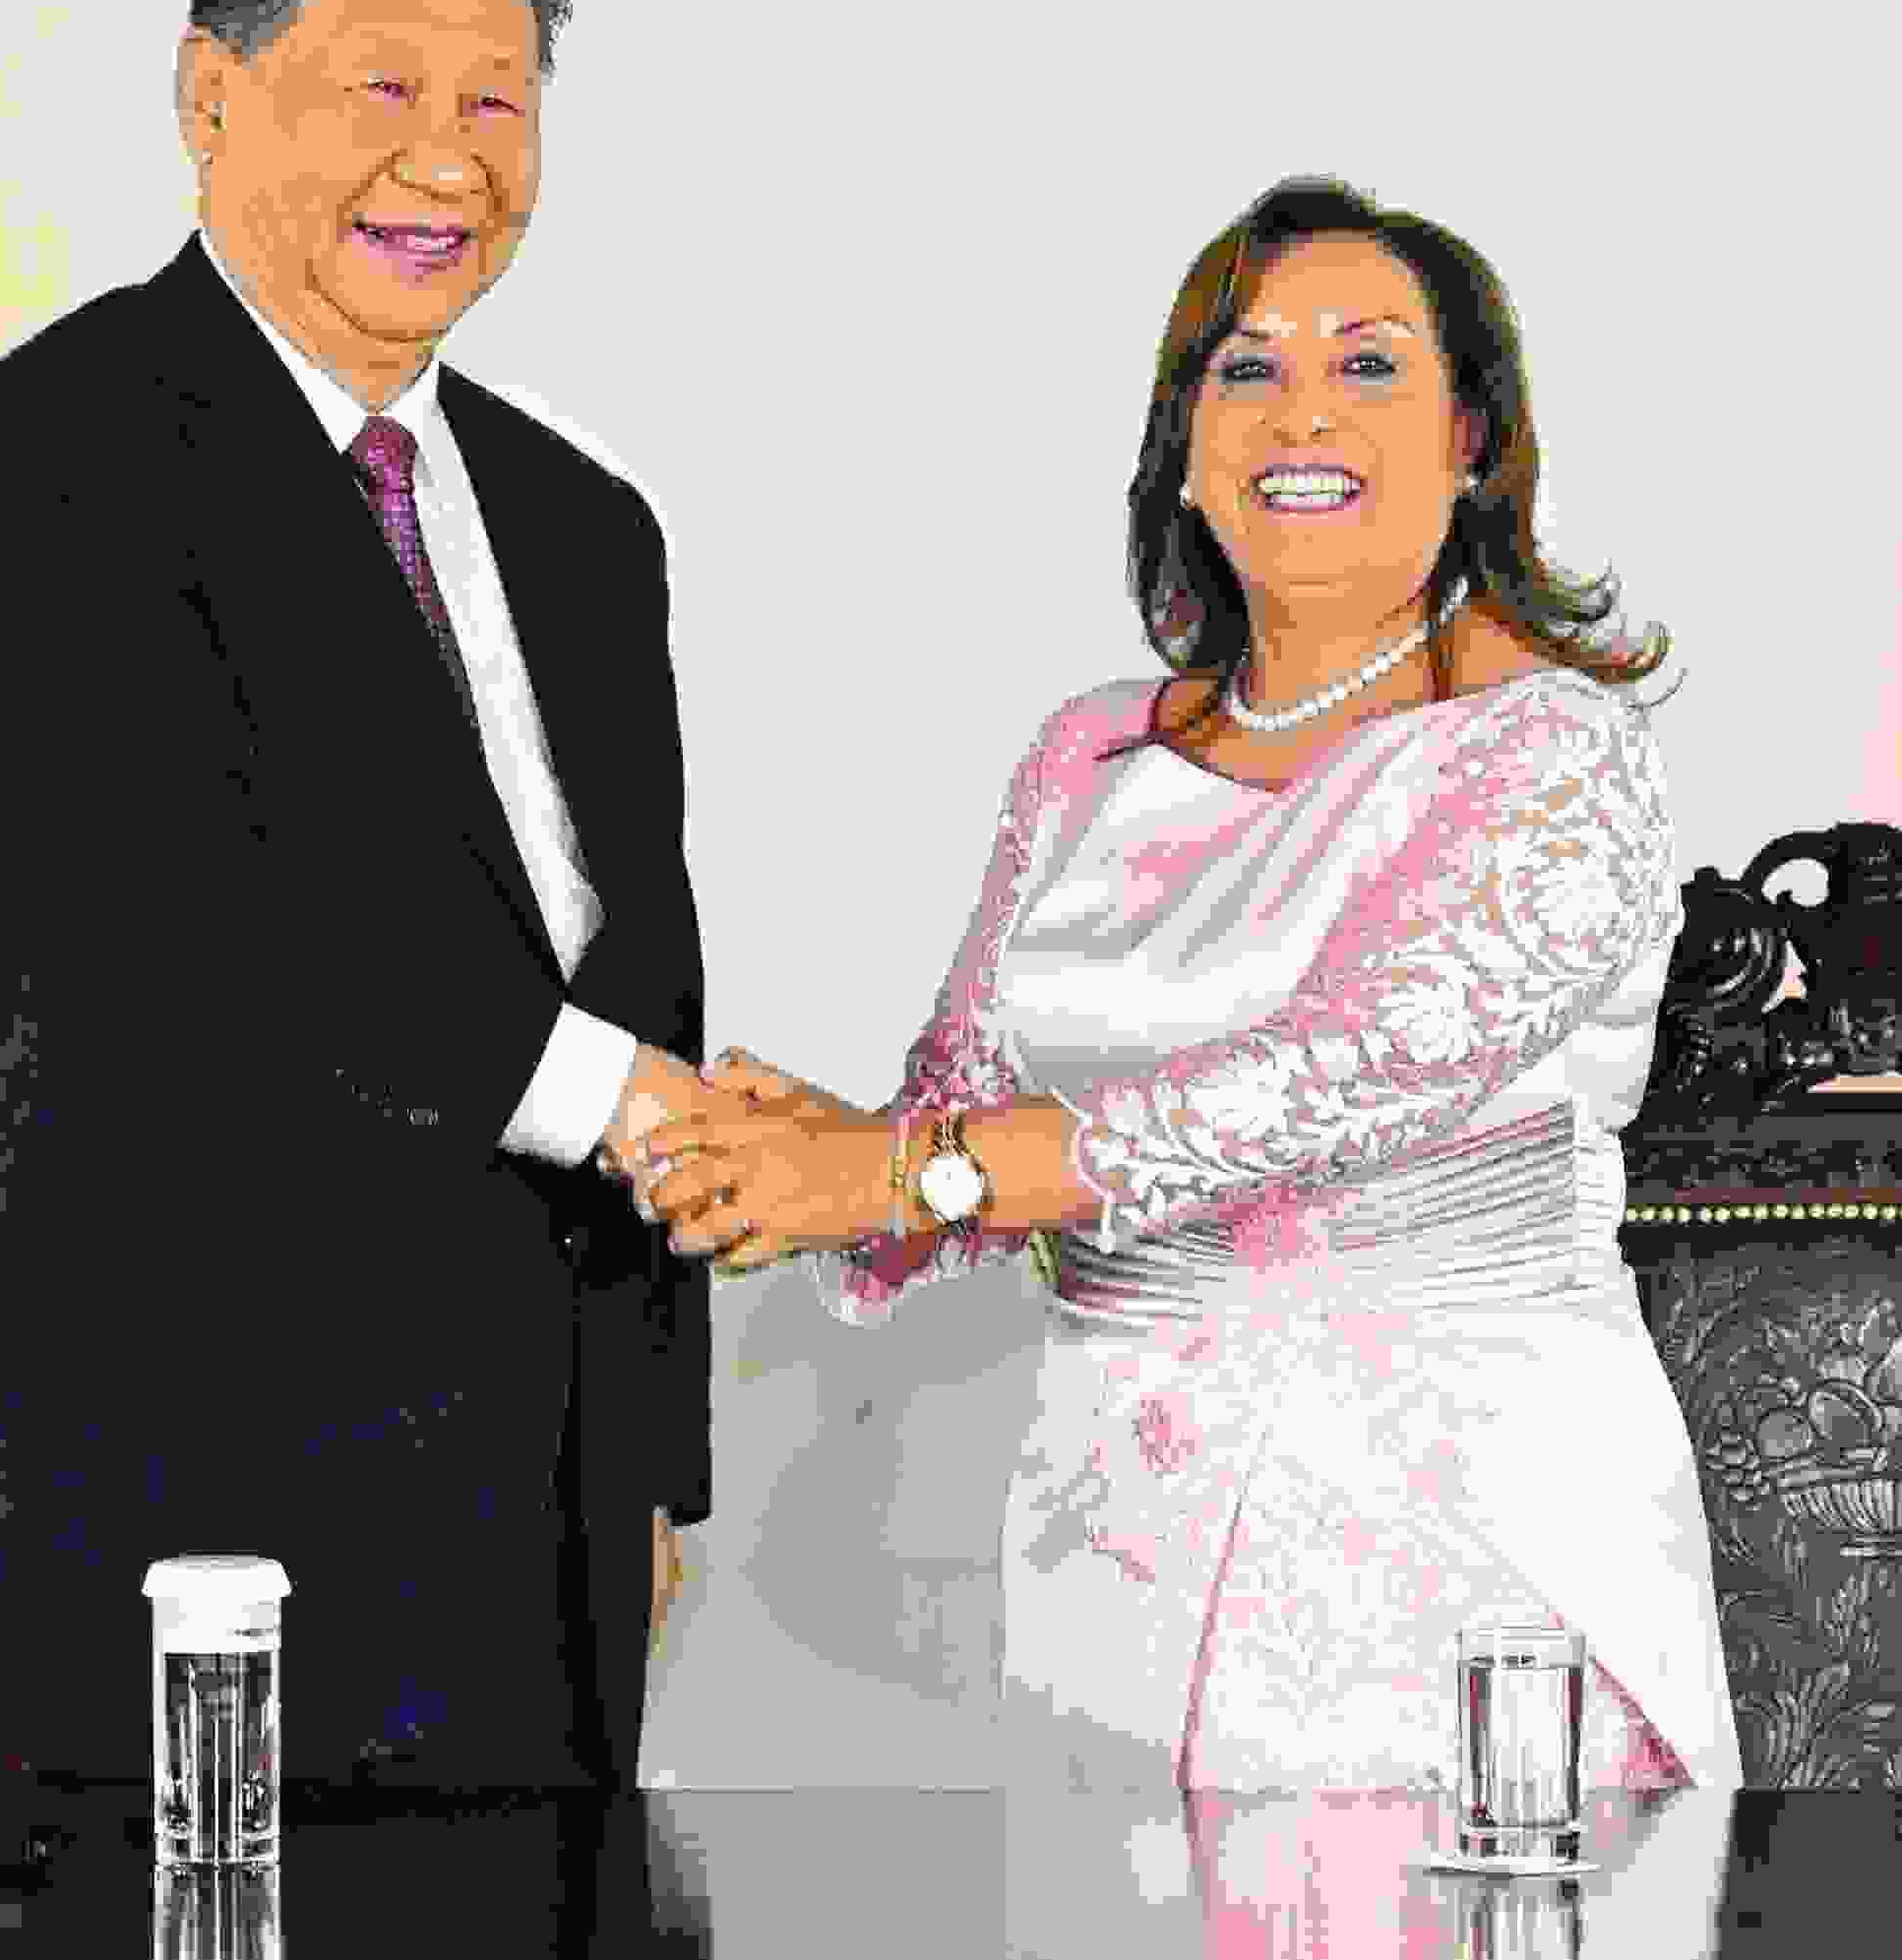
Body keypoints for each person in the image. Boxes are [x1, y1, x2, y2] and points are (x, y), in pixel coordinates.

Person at [633, 175, 1741, 1802]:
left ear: (1473, 439)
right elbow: (961, 1114)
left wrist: (897, 1169)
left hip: (1466, 1529)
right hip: (1116, 1536)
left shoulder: (1559, 749)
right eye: (1247, 366)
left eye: (1369, 364)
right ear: (1189, 436)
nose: (1303, 410)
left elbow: (1335, 1078)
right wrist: (797, 1154)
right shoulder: (1086, 754)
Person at [0, 0, 710, 1793]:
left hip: (539, 1564)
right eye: (382, 90)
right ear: (209, 95)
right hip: (172, 1532)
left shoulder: (587, 530)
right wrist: (632, 1105)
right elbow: (185, 925)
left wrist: (655, 1464)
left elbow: (644, 967)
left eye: (496, 104)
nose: (449, 164)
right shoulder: (41, 459)